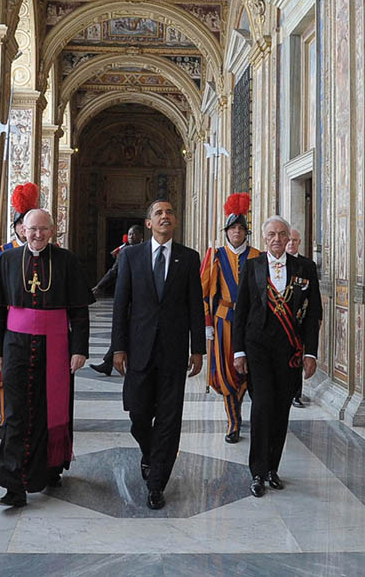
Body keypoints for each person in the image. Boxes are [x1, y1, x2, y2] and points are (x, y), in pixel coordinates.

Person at [0, 208, 94, 507]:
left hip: (56, 345)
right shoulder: (7, 260)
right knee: (16, 413)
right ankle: (13, 485)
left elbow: (79, 311)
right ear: (22, 230)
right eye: (32, 229)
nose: (37, 235)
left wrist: (79, 349)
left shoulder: (67, 261)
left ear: (52, 230)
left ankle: (50, 467)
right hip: (16, 346)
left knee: (51, 410)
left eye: (43, 229)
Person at [111, 200, 204, 510]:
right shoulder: (131, 256)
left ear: (174, 221)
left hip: (174, 352)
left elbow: (195, 306)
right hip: (138, 350)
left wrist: (198, 349)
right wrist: (119, 347)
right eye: (159, 213)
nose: (165, 216)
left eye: (169, 212)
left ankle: (156, 483)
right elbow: (120, 304)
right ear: (148, 223)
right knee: (137, 413)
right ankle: (151, 454)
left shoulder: (189, 258)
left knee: (169, 418)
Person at [233, 216, 322, 498]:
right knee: (262, 405)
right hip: (257, 345)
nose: (276, 239)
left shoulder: (305, 268)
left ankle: (273, 468)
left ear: (289, 238)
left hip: (290, 350)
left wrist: (310, 352)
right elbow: (241, 312)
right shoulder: (251, 267)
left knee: (282, 408)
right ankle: (257, 471)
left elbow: (313, 314)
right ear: (263, 238)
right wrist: (239, 351)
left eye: (282, 234)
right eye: (271, 234)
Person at [0, 183, 39, 437]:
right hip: (7, 326)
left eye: (32, 224)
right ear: (17, 226)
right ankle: (6, 421)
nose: (27, 229)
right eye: (23, 224)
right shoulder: (2, 252)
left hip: (36, 325)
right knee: (5, 377)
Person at [201, 193, 260, 443]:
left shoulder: (258, 256)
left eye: (240, 228)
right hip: (223, 321)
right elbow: (202, 294)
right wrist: (206, 324)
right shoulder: (215, 257)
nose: (236, 232)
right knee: (226, 373)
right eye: (232, 228)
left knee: (252, 371)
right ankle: (233, 422)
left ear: (246, 232)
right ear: (226, 231)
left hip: (252, 322)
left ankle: (254, 417)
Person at [90, 224, 144, 376]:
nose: (132, 236)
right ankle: (108, 362)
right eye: (130, 234)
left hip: (141, 298)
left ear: (141, 236)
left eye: (134, 234)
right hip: (128, 297)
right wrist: (100, 286)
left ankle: (109, 362)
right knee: (124, 329)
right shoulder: (125, 251)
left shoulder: (147, 251)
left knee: (128, 330)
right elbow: (114, 272)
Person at [285, 227, 308, 408]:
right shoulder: (275, 264)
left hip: (298, 320)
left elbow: (312, 297)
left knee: (297, 356)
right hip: (280, 319)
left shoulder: (306, 265)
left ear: (299, 242)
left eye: (295, 240)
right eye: (289, 240)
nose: (291, 243)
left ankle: (296, 394)